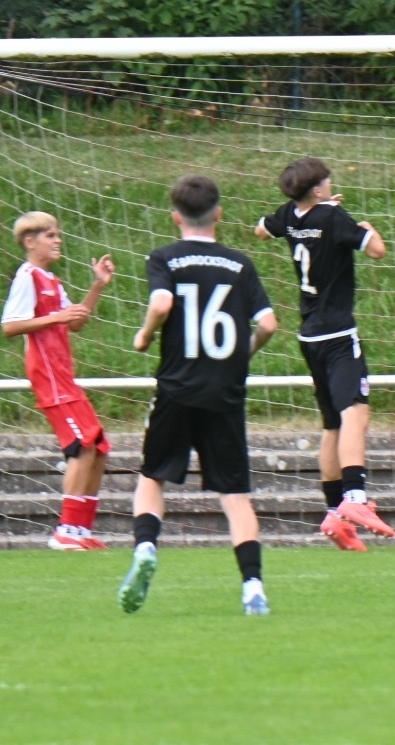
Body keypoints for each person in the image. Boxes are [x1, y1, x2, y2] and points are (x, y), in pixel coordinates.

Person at [118, 175, 277, 616]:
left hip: (177, 387)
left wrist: (144, 336)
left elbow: (161, 304)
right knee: (235, 495)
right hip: (224, 391)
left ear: (176, 217)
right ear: (219, 214)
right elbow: (268, 324)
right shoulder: (240, 264)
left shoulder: (165, 257)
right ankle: (253, 588)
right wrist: (242, 355)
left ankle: (146, 547)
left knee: (152, 477)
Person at [256, 157, 390, 550]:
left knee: (332, 424)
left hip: (309, 335)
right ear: (318, 189)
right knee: (355, 414)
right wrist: (366, 227)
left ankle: (334, 513)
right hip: (338, 333)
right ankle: (355, 498)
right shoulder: (334, 218)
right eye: (328, 181)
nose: (332, 184)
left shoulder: (289, 214)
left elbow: (261, 230)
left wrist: (311, 215)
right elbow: (377, 251)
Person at [2, 212, 115, 550]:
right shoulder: (27, 277)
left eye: (57, 234)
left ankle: (80, 530)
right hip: (47, 376)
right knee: (82, 445)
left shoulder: (52, 280)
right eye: (50, 235)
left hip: (64, 376)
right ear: (30, 241)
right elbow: (10, 326)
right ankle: (65, 531)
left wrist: (97, 286)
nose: (57, 240)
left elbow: (74, 322)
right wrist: (56, 316)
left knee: (99, 447)